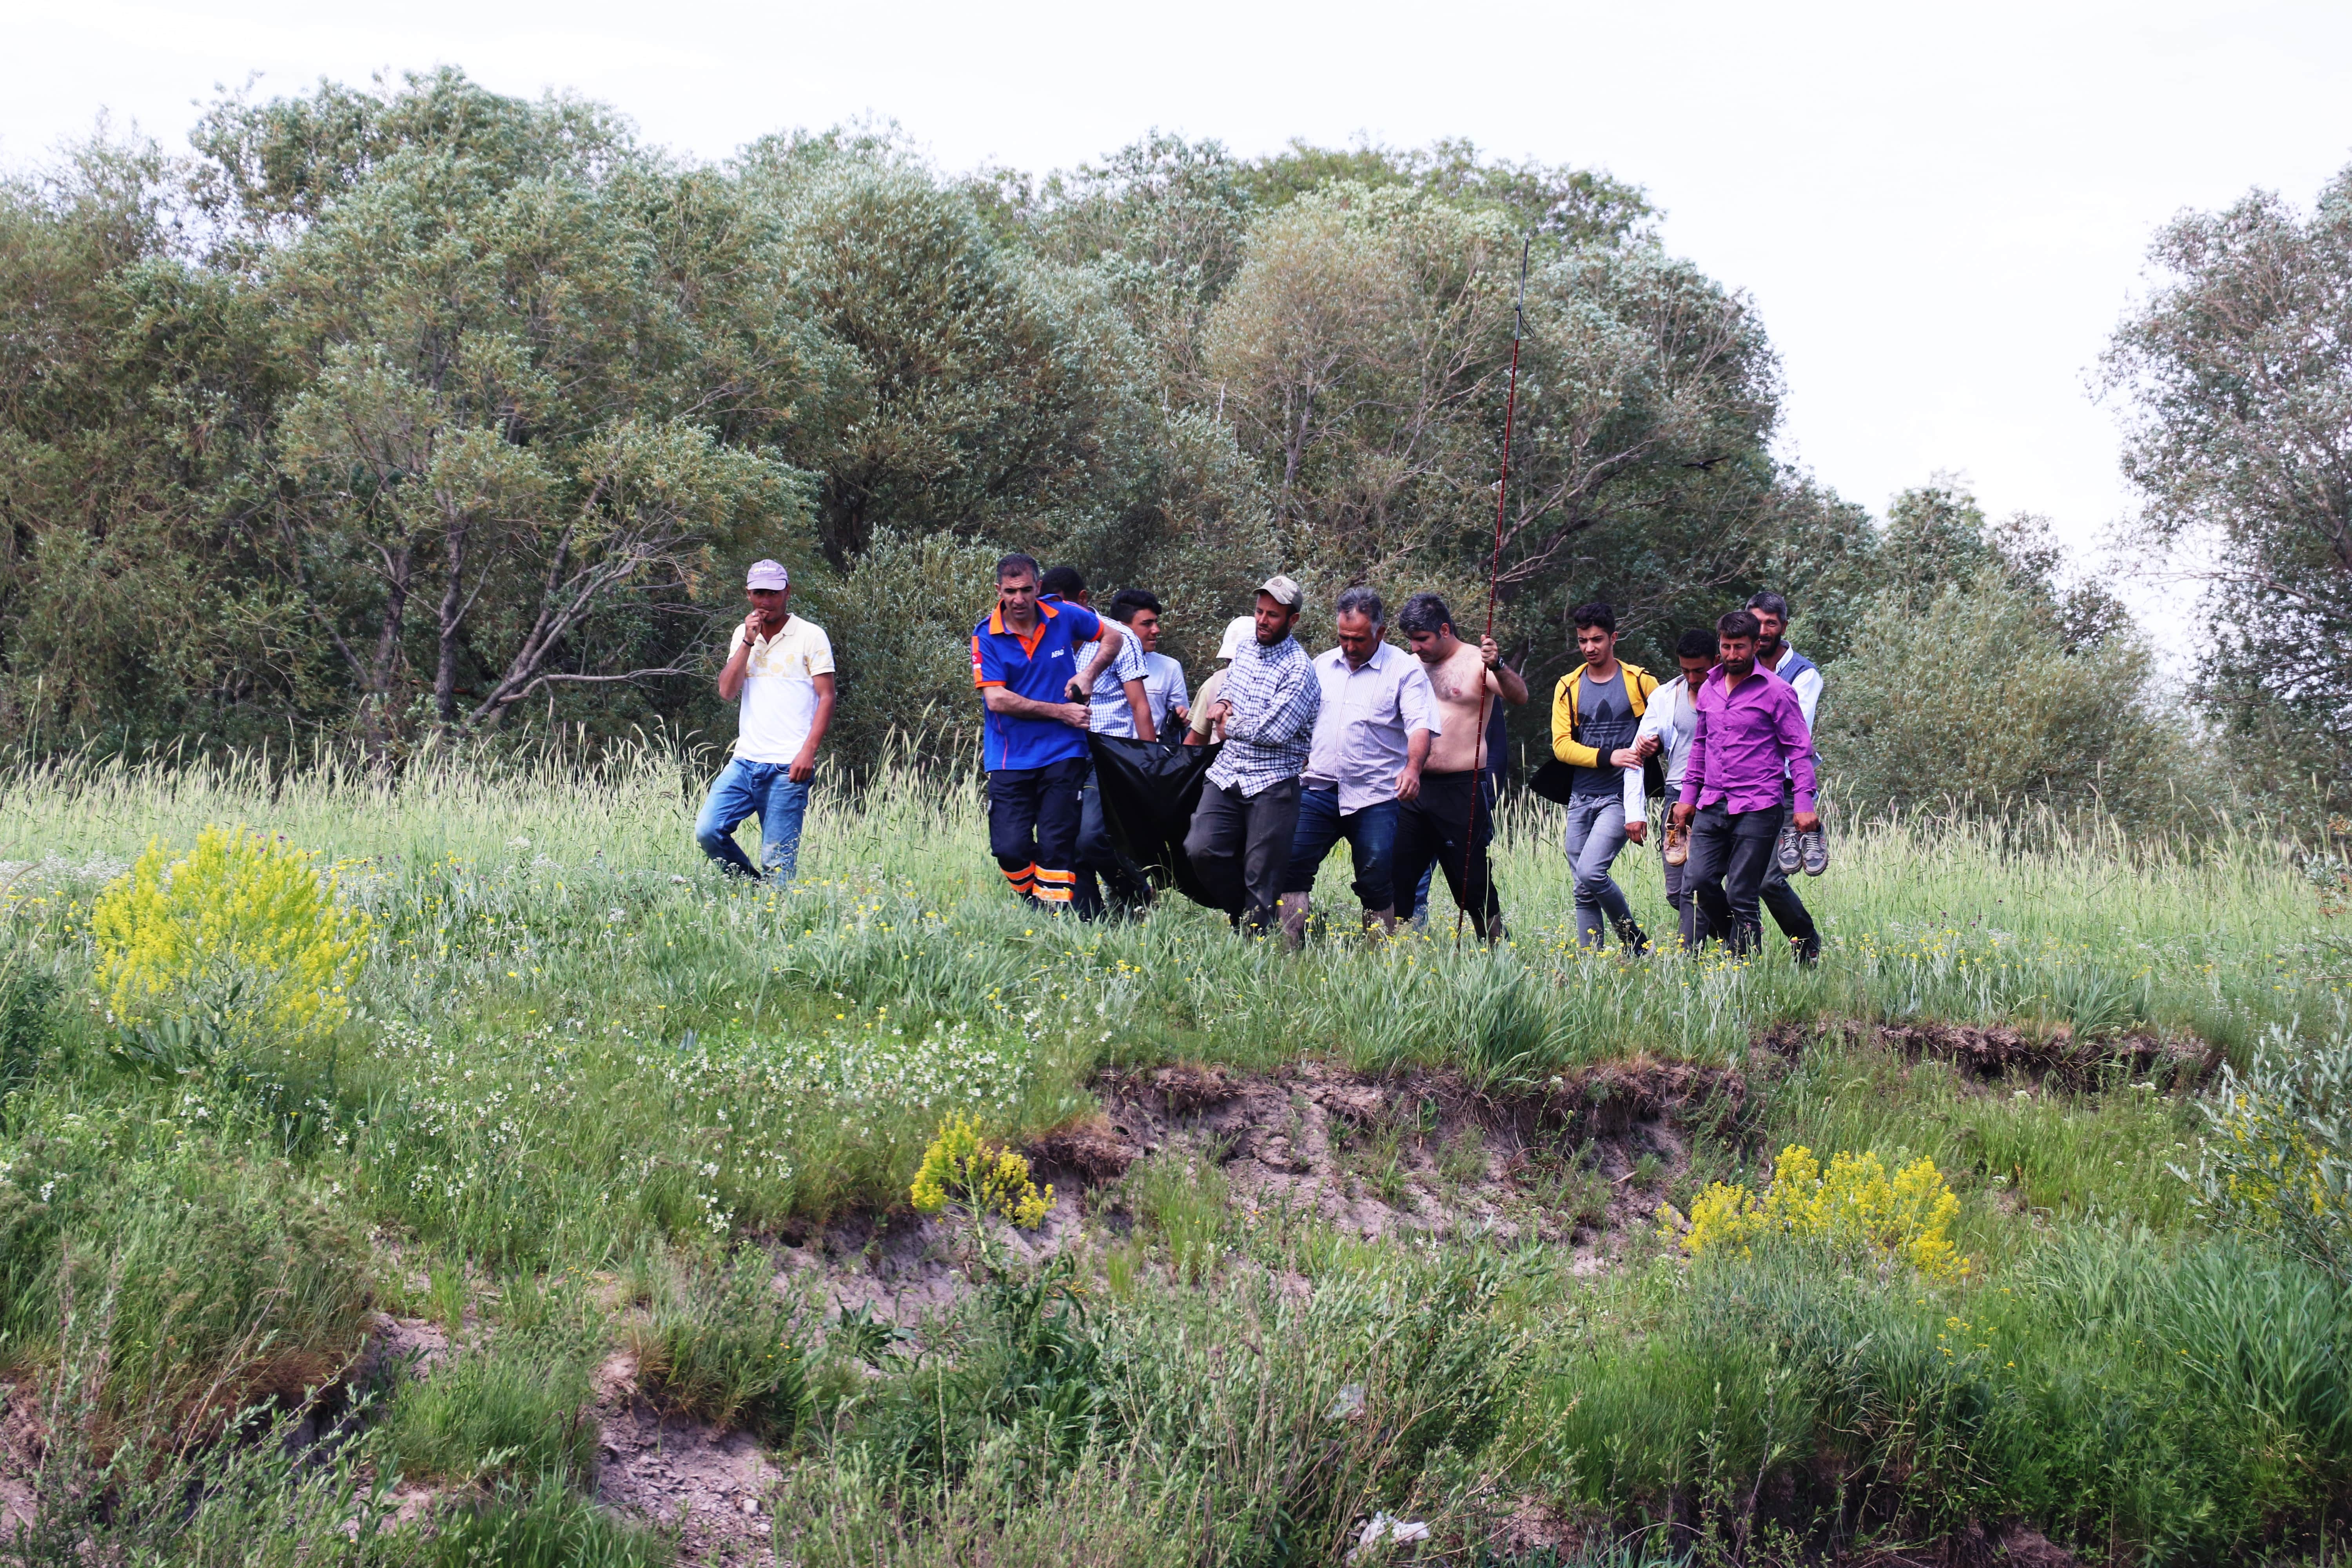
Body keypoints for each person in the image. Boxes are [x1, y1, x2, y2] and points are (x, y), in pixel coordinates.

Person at [1277, 587, 1439, 944]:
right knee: (1292, 867)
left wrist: (1413, 769)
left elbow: (1420, 727)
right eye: (1343, 637)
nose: (1350, 647)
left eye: (1359, 639)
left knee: (1376, 876)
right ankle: (1287, 954)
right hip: (1317, 789)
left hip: (1376, 795)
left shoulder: (1405, 671)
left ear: (1380, 633)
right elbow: (1300, 721)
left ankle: (1377, 958)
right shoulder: (1321, 666)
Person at [972, 554, 1129, 908]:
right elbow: (997, 700)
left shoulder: (1064, 615)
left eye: (1027, 590)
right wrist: (1061, 712)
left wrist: (1088, 674)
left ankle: (1054, 918)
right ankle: (1035, 901)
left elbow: (1114, 638)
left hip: (1064, 751)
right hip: (1010, 756)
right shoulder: (986, 636)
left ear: (1038, 588)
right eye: (1011, 591)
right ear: (999, 591)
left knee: (1057, 843)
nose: (1019, 599)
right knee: (1009, 849)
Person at [1670, 610, 1819, 958]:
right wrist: (1687, 797)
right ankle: (1735, 943)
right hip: (1712, 802)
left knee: (1742, 893)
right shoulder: (1708, 688)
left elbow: (1800, 752)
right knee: (1700, 883)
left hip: (1759, 805)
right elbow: (1701, 747)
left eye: (1740, 647)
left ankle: (1751, 963)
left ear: (1755, 646)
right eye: (1726, 647)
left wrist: (1803, 803)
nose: (1733, 655)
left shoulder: (1778, 692)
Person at [1183, 576, 1320, 936]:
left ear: (1293, 621)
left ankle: (1253, 951)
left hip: (1273, 782)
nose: (1263, 620)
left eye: (1273, 615)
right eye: (1259, 612)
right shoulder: (1245, 647)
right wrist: (1226, 700)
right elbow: (1231, 683)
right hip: (1227, 772)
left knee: (1262, 876)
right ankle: (1241, 913)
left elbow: (1275, 731)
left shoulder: (1300, 670)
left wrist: (1230, 725)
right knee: (1200, 849)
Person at [1391, 593, 1528, 943]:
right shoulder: (1409, 665)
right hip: (1413, 787)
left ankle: (1496, 949)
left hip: (1461, 788)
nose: (1417, 647)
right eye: (1412, 640)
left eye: (1423, 640)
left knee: (1472, 881)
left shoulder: (1476, 661)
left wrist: (1498, 665)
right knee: (1394, 876)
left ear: (1445, 630)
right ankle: (1388, 954)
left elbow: (1520, 696)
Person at [695, 559, 837, 881]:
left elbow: (827, 696)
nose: (766, 601)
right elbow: (727, 691)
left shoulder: (811, 636)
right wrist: (748, 640)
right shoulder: (742, 635)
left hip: (789, 767)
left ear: (787, 592)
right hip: (745, 761)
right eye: (759, 593)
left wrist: (808, 752)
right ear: (748, 594)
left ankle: (774, 911)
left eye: (773, 593)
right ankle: (754, 890)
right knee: (708, 831)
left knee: (778, 864)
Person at [1041, 565, 1155, 920]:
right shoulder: (1043, 635)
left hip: (1110, 755)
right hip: (1063, 753)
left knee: (1091, 837)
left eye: (1062, 604)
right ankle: (1092, 923)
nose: (1056, 613)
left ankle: (1135, 889)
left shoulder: (1119, 638)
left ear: (1082, 601)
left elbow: (1140, 706)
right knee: (1067, 842)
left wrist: (1150, 766)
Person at [1548, 602, 1658, 952]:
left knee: (1591, 872)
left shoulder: (1641, 682)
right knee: (1582, 887)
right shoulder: (1568, 686)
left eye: (1597, 640)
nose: (1590, 648)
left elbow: (1666, 727)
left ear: (1614, 638)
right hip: (1580, 796)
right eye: (1583, 641)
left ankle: (1633, 941)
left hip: (1621, 796)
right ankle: (1590, 962)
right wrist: (1609, 756)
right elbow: (1562, 747)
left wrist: (1653, 744)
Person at [1746, 590, 1827, 964]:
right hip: (1739, 786)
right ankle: (1743, 956)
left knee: (1767, 880)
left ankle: (1806, 940)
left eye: (1771, 624)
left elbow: (1796, 735)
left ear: (1784, 626)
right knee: (1736, 879)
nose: (1762, 631)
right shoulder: (1736, 664)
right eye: (1757, 622)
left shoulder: (1804, 674)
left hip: (1783, 786)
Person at [1632, 628, 1720, 948]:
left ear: (1716, 661)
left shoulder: (1729, 694)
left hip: (1714, 796)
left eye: (1700, 670)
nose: (1694, 677)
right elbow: (1638, 750)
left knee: (1694, 888)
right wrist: (1648, 747)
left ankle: (1689, 959)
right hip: (1676, 796)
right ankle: (1733, 930)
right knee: (1675, 890)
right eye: (1686, 670)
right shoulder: (1666, 695)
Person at [1184, 615, 1258, 746]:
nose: (1232, 666)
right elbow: (1195, 742)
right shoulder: (1213, 685)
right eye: (1229, 660)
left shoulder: (1280, 686)